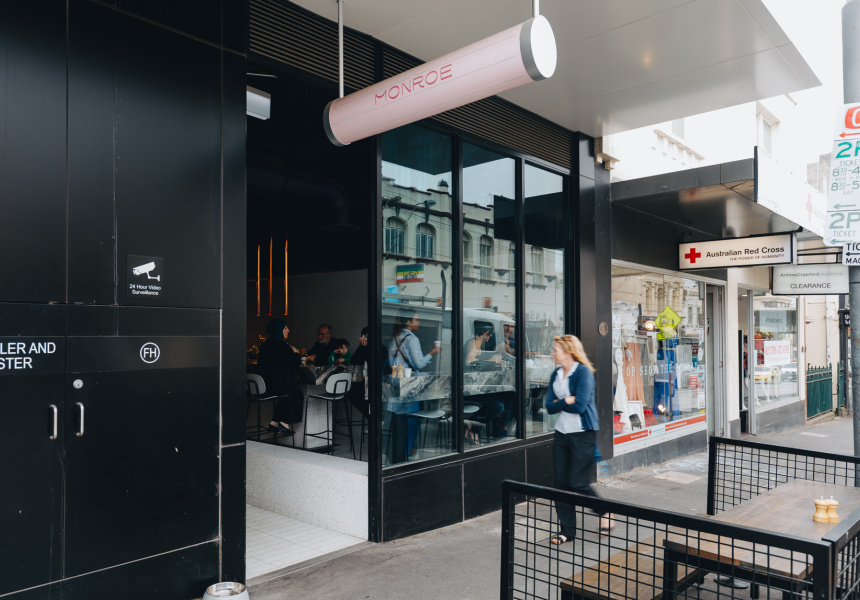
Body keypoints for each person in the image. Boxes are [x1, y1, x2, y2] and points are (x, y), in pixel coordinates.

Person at [545, 334, 609, 545]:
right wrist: (566, 400)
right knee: (561, 485)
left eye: (556, 350)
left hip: (583, 434)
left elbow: (580, 406)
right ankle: (567, 531)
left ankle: (604, 510)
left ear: (568, 352)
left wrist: (560, 402)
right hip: (561, 434)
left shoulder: (583, 373)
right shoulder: (556, 374)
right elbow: (549, 406)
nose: (552, 353)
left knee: (577, 483)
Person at [387, 311, 441, 463]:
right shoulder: (412, 339)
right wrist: (432, 352)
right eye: (416, 320)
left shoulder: (394, 338)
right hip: (410, 384)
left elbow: (391, 363)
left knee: (399, 419)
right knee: (412, 419)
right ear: (408, 322)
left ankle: (398, 456)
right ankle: (407, 454)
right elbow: (419, 363)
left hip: (396, 382)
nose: (418, 322)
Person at [255, 319, 304, 437]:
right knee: (296, 394)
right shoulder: (281, 346)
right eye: (285, 328)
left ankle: (274, 423)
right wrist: (295, 352)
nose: (288, 330)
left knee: (288, 392)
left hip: (262, 386)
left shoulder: (265, 344)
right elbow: (294, 362)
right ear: (279, 330)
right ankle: (284, 422)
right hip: (273, 386)